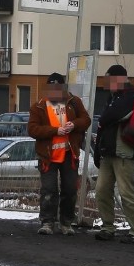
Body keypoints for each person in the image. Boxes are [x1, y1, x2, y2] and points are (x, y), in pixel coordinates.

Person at [28, 72, 91, 236]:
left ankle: (66, 222)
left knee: (70, 189)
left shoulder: (74, 102)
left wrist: (74, 125)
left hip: (69, 154)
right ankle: (47, 222)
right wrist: (55, 130)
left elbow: (86, 120)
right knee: (49, 190)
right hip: (47, 156)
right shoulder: (39, 106)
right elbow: (32, 129)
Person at [93, 64, 134, 245]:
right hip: (109, 151)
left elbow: (109, 117)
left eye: (108, 79)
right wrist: (98, 150)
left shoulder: (130, 94)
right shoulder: (114, 96)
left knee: (126, 192)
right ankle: (108, 227)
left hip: (124, 152)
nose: (106, 83)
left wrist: (104, 118)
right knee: (101, 190)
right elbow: (105, 122)